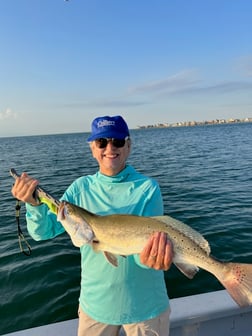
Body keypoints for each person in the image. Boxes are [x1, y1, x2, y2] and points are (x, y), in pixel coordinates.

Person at [11, 115, 174, 336]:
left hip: (145, 308)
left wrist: (152, 258)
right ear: (92, 148)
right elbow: (43, 232)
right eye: (102, 142)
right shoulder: (79, 189)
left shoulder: (147, 188)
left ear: (128, 145)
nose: (110, 148)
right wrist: (33, 205)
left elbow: (145, 255)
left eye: (117, 141)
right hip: (95, 307)